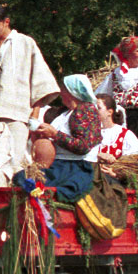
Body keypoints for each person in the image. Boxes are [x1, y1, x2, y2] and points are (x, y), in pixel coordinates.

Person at [0, 3, 58, 167]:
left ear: (6, 22)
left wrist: (35, 113)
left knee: (14, 161)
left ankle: (14, 193)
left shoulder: (25, 43)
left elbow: (40, 81)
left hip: (17, 114)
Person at [34, 73, 102, 202]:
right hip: (60, 165)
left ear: (72, 91)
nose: (61, 92)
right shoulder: (64, 113)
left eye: (63, 89)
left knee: (37, 186)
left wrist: (54, 134)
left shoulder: (85, 111)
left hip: (77, 167)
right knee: (24, 180)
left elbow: (83, 146)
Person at [96, 90, 138, 159]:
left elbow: (136, 160)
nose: (94, 110)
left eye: (99, 108)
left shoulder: (125, 134)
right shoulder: (89, 133)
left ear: (110, 112)